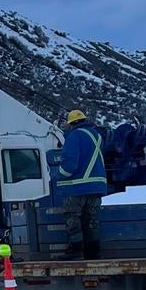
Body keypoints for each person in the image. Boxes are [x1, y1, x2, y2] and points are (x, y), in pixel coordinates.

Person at [58, 109, 108, 260]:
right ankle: (93, 253)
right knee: (91, 219)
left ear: (71, 124)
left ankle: (75, 250)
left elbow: (70, 165)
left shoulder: (74, 136)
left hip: (77, 186)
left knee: (72, 216)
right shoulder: (97, 136)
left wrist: (58, 175)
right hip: (97, 187)